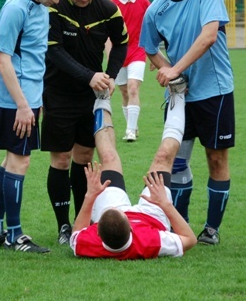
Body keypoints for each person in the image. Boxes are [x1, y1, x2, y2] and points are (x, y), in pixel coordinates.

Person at [139, 0, 235, 246]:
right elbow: (150, 49)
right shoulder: (155, 10)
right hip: (179, 97)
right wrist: (170, 72)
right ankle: (179, 226)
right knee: (176, 161)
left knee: (216, 159)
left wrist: (175, 69)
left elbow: (208, 36)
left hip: (215, 91)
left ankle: (211, 229)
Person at [0, 0, 70, 254]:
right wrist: (22, 105)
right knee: (20, 161)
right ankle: (14, 235)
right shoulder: (16, 7)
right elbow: (2, 59)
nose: (56, 1)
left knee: (11, 161)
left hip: (30, 97)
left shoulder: (41, 6)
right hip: (14, 100)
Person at [42, 0, 128, 246]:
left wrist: (112, 75)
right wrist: (88, 75)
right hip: (57, 94)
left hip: (90, 97)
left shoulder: (107, 9)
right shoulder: (54, 7)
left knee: (83, 159)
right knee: (62, 159)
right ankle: (63, 225)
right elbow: (54, 52)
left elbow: (122, 43)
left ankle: (84, 219)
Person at [70, 80, 197, 259]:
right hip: (151, 219)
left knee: (108, 158)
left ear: (96, 231)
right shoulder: (153, 241)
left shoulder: (86, 243)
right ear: (130, 227)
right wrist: (165, 204)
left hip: (111, 218)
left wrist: (91, 196)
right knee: (163, 158)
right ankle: (178, 94)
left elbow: (77, 233)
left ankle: (102, 99)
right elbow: (189, 239)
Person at [110, 0, 151, 142]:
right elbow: (106, 33)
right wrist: (110, 55)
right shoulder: (111, 4)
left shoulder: (144, 3)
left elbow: (151, 29)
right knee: (124, 92)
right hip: (119, 54)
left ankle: (130, 131)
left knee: (133, 87)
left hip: (138, 51)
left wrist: (154, 53)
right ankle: (132, 126)